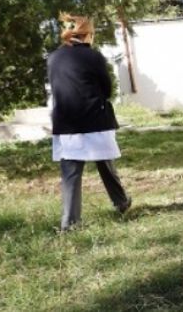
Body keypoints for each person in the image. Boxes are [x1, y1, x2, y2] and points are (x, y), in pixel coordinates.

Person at [47, 14, 131, 231]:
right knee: (106, 166)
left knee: (71, 176)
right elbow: (106, 89)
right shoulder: (94, 57)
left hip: (66, 123)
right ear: (88, 35)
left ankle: (69, 224)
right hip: (95, 119)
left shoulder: (53, 58)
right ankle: (121, 203)